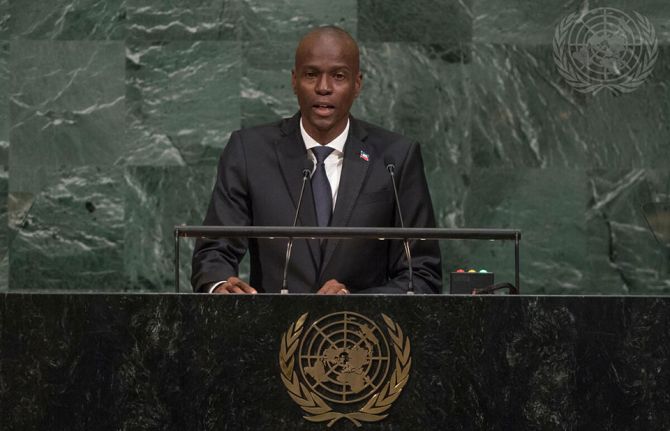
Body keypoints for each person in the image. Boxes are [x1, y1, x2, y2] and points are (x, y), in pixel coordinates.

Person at [191, 26, 441, 294]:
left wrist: (354, 303)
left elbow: (422, 273)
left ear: (357, 84)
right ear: (294, 80)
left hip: (362, 332)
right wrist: (218, 287)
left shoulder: (395, 158)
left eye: (338, 76)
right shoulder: (249, 151)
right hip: (271, 330)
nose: (324, 87)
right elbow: (214, 251)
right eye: (311, 75)